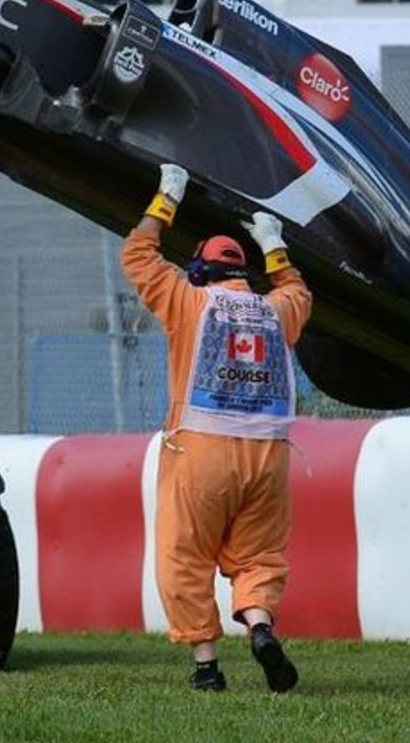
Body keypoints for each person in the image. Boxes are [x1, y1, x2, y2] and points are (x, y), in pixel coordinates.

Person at [122, 163, 312, 694]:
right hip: (268, 457)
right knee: (257, 556)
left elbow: (137, 256)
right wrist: (275, 245)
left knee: (183, 554)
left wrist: (166, 198)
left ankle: (207, 666)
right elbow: (298, 292)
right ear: (244, 275)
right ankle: (260, 626)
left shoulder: (189, 301)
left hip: (200, 449)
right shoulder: (277, 312)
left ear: (200, 272)